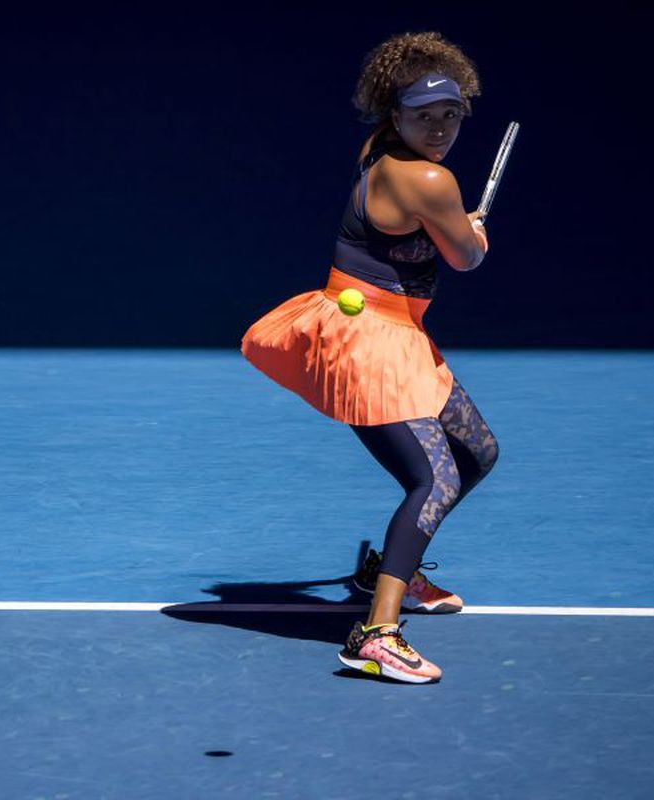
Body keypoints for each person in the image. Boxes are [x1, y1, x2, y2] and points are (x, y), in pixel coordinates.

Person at [239, 31, 500, 684]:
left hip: (387, 330)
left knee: (477, 454)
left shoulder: (379, 150)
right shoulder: (431, 179)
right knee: (435, 480)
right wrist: (473, 233)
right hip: (372, 344)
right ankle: (375, 635)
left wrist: (455, 225)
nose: (438, 129)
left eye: (450, 115)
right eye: (423, 117)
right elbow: (465, 260)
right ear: (394, 113)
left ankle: (393, 570)